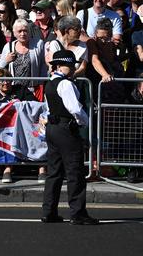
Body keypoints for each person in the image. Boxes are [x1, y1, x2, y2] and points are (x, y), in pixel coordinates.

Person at [41, 49, 99, 225]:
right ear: (58, 65)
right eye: (68, 65)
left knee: (54, 173)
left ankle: (49, 211)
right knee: (75, 171)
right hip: (66, 129)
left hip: (52, 128)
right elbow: (75, 109)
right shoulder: (65, 84)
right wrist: (85, 122)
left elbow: (48, 108)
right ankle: (78, 213)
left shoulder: (50, 83)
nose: (72, 68)